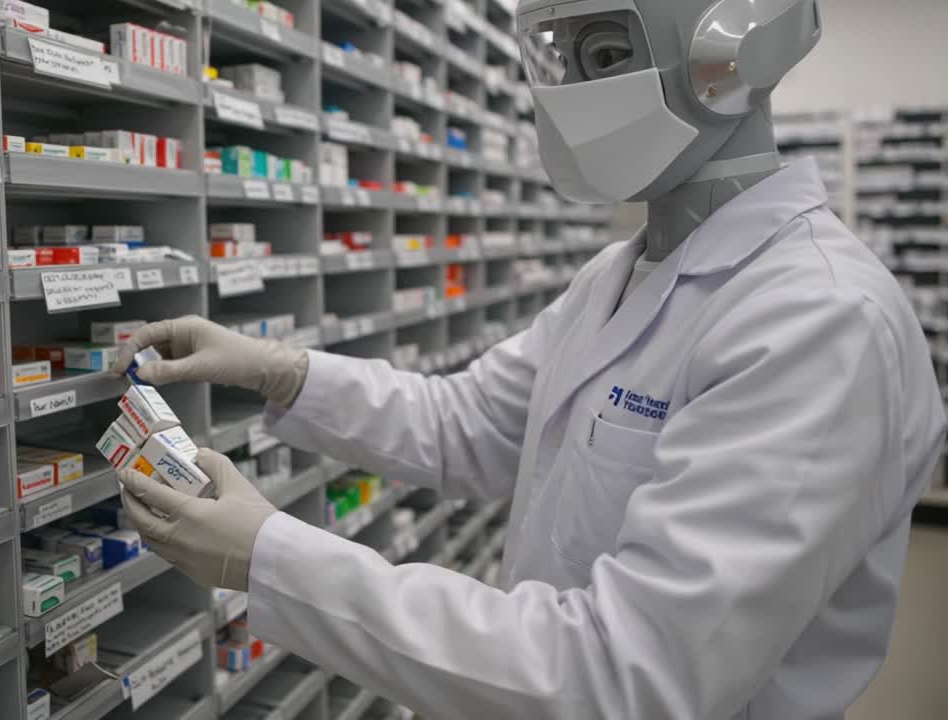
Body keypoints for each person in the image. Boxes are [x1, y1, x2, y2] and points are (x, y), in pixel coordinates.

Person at [113, 0, 947, 716]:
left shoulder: (820, 323)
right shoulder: (619, 273)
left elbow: (627, 678)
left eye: (608, 54)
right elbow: (468, 424)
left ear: (735, 50)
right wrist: (278, 368)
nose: (575, 93)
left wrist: (271, 555)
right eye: (558, 58)